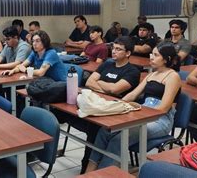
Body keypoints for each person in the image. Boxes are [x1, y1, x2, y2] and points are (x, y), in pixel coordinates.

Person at [85, 42, 181, 171]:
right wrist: (116, 105)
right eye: (151, 53)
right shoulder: (152, 74)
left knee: (119, 139)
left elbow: (163, 109)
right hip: (143, 115)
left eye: (156, 55)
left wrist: (138, 112)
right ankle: (89, 171)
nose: (151, 57)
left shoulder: (173, 76)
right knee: (105, 131)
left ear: (166, 59)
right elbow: (133, 94)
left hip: (160, 120)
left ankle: (106, 173)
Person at [56, 37, 140, 173]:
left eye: (119, 49)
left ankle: (88, 169)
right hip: (96, 104)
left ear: (128, 53)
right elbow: (90, 82)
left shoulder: (132, 71)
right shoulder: (107, 64)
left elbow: (116, 90)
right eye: (114, 48)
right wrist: (107, 87)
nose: (114, 51)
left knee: (94, 129)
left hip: (113, 111)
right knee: (61, 112)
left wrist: (101, 85)